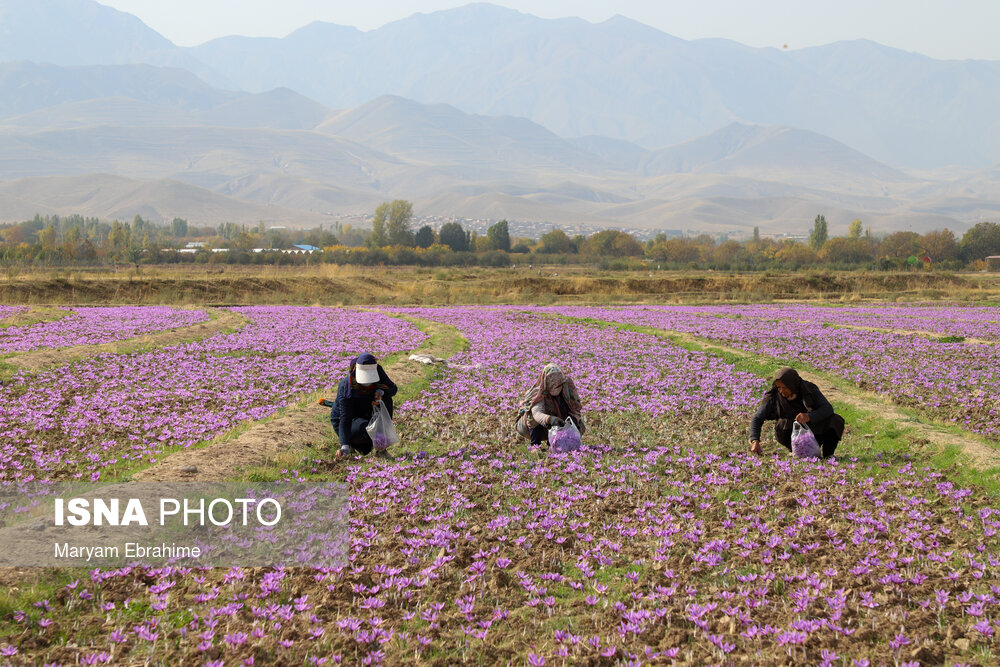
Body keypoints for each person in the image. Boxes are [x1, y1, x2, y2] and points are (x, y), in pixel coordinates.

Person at [749, 367, 845, 458]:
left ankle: (828, 455)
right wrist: (755, 440)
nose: (781, 391)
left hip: (814, 431)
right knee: (781, 424)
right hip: (792, 434)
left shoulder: (809, 389)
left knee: (835, 420)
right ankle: (796, 451)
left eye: (784, 387)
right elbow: (758, 417)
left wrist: (809, 416)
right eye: (779, 387)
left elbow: (827, 408)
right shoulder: (774, 396)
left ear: (792, 384)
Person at [320, 352, 397, 459]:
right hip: (350, 417)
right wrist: (344, 446)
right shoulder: (346, 386)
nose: (367, 384)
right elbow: (345, 418)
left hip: (366, 410)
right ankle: (352, 445)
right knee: (365, 431)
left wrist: (381, 392)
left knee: (387, 400)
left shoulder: (377, 369)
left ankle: (381, 449)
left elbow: (393, 389)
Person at [515, 363, 585, 448]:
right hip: (534, 427)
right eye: (552, 383)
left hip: (557, 423)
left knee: (571, 418)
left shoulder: (566, 389)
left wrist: (572, 421)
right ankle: (535, 445)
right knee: (531, 414)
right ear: (546, 381)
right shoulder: (539, 394)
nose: (556, 386)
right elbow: (537, 414)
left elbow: (575, 408)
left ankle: (555, 443)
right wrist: (550, 419)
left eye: (559, 384)